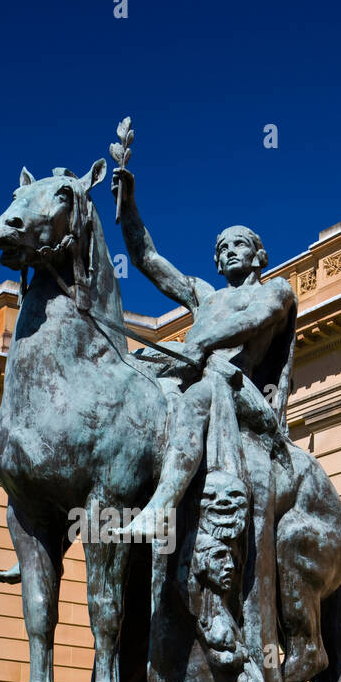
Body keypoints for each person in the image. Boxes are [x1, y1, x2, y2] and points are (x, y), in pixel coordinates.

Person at [111, 166, 296, 539]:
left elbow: (254, 321)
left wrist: (198, 344)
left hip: (244, 393)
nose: (229, 251)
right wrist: (128, 203)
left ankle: (162, 507)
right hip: (202, 378)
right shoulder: (204, 296)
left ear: (258, 255)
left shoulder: (275, 290)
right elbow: (147, 257)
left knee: (200, 395)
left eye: (238, 244)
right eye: (222, 248)